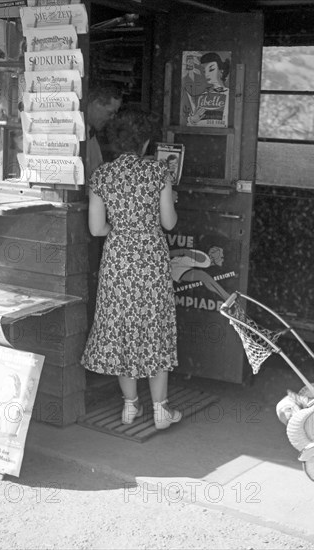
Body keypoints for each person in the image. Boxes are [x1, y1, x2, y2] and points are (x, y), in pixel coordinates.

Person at [81, 109, 181, 430]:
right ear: (146, 142)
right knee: (154, 327)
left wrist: (120, 226)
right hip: (150, 258)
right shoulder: (158, 172)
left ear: (113, 143)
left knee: (122, 327)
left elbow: (96, 229)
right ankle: (161, 410)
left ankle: (129, 406)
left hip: (118, 259)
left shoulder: (102, 176)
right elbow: (169, 223)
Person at [85, 83, 123, 175]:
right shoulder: (77, 134)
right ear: (96, 103)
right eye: (110, 113)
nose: (112, 118)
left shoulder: (91, 134)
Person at [187, 52, 230, 126]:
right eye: (204, 71)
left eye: (211, 69)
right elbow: (190, 123)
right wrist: (192, 120)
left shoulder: (229, 94)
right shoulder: (202, 95)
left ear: (221, 71)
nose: (207, 74)